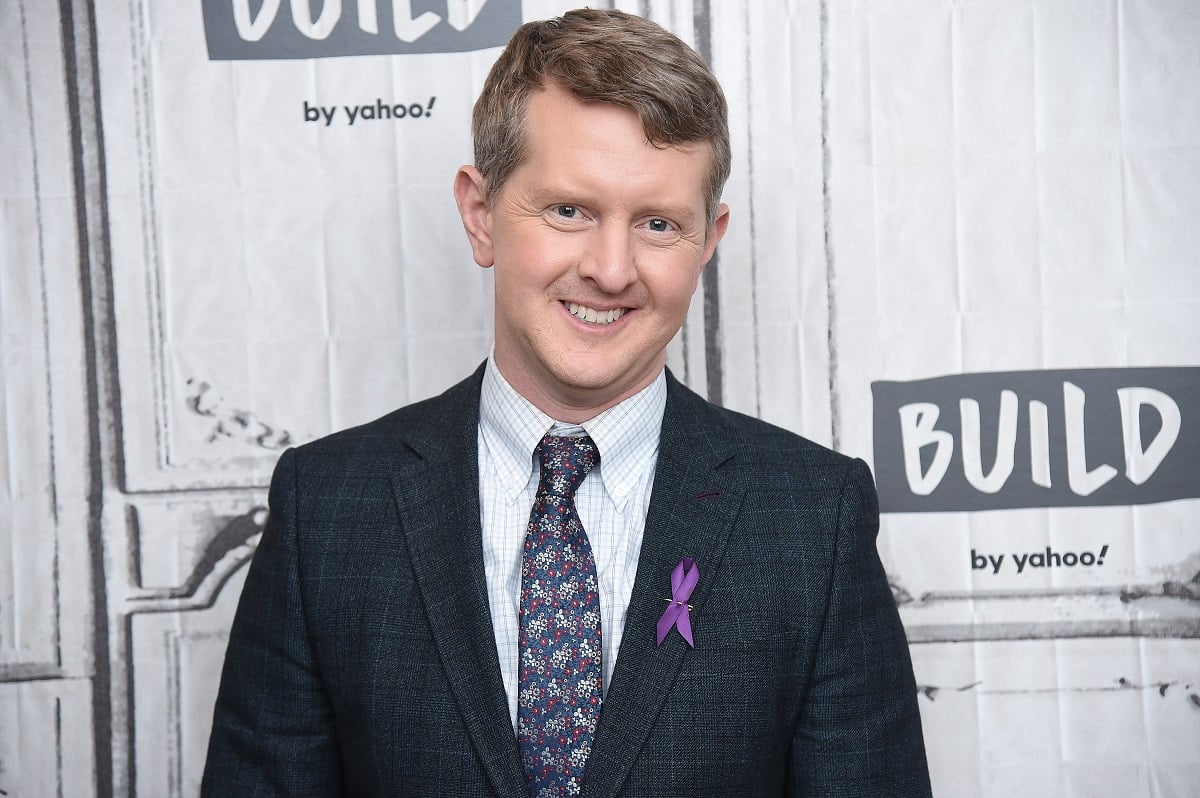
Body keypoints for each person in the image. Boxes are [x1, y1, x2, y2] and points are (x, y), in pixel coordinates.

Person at [201, 8, 932, 797]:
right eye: (568, 211)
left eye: (657, 223)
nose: (612, 270)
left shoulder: (813, 520)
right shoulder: (328, 510)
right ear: (481, 215)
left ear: (707, 240)